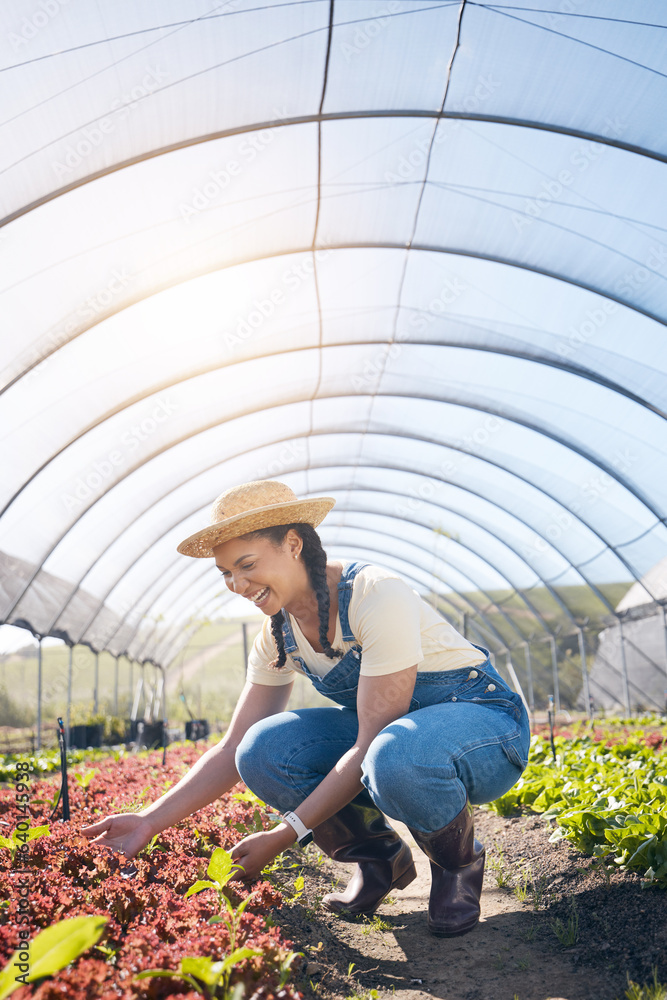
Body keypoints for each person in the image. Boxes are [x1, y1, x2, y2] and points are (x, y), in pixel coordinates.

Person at [82, 480, 530, 937]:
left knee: (393, 755)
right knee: (261, 750)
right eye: (225, 573)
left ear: (293, 544)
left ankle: (458, 865)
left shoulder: (375, 595)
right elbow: (233, 745)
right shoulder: (279, 635)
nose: (238, 584)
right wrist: (149, 820)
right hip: (391, 737)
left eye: (247, 565)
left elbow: (371, 741)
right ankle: (379, 860)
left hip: (484, 726)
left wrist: (285, 834)